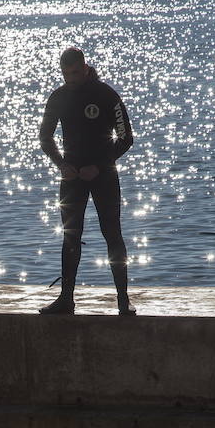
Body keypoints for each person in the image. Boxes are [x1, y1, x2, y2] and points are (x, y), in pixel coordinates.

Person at [39, 47, 136, 316]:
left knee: (112, 234)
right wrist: (61, 164)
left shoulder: (106, 95)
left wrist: (99, 165)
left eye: (76, 73)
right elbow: (45, 138)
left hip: (103, 175)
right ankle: (66, 299)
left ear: (85, 68)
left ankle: (123, 300)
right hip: (72, 177)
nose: (72, 79)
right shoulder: (58, 97)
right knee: (71, 236)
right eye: (66, 74)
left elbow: (126, 138)